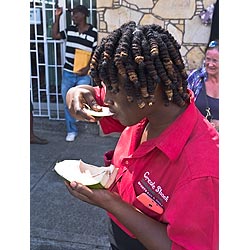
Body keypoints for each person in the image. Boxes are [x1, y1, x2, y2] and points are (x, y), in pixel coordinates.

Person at [65, 22, 219, 249]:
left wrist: (110, 202)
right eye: (105, 86)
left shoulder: (202, 169)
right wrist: (75, 93)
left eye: (114, 89)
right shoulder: (143, 107)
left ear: (152, 88)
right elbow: (86, 96)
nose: (106, 99)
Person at [52, 5, 98, 141]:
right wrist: (57, 17)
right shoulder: (70, 30)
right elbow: (54, 36)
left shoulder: (93, 32)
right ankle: (71, 130)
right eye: (72, 15)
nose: (73, 17)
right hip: (68, 73)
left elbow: (96, 54)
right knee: (68, 101)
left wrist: (88, 67)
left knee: (82, 99)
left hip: (84, 74)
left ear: (83, 15)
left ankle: (80, 117)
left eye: (75, 14)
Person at [187, 40, 219, 131]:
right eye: (208, 59)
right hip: (196, 136)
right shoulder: (195, 77)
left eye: (215, 61)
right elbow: (183, 105)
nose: (210, 64)